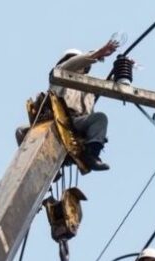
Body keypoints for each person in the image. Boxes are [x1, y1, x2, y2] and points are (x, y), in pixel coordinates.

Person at [16, 40, 120, 171]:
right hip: (58, 121)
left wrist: (123, 68)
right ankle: (38, 165)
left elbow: (111, 85)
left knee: (100, 118)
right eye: (72, 59)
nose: (76, 62)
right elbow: (73, 63)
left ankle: (91, 156)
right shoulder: (60, 72)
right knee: (21, 131)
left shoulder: (90, 84)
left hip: (78, 123)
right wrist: (98, 53)